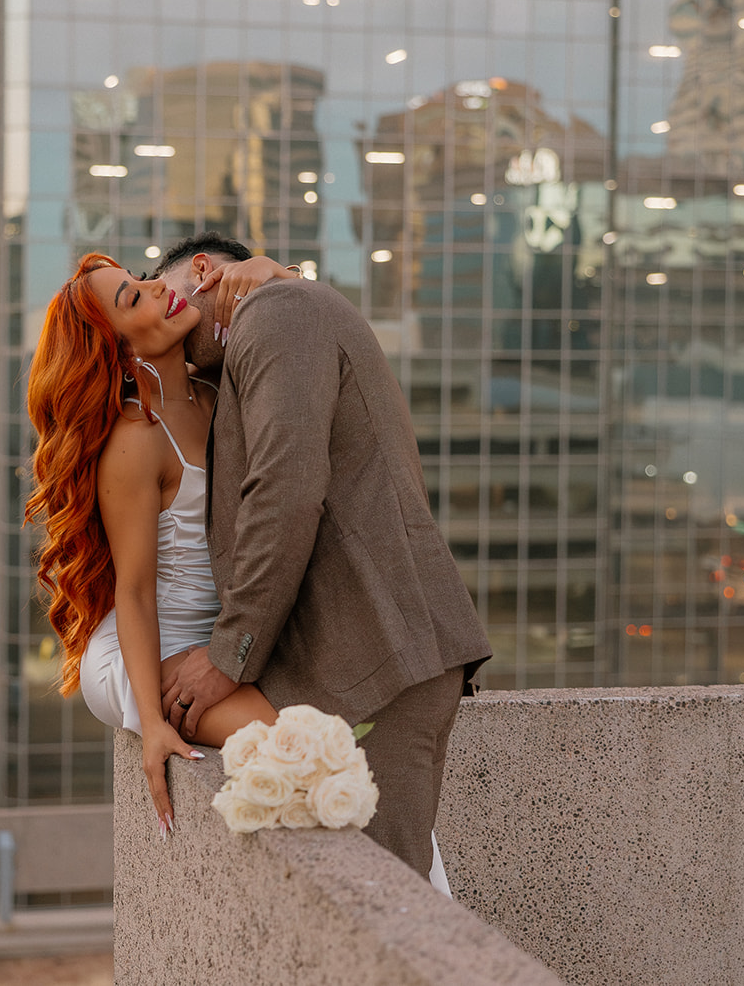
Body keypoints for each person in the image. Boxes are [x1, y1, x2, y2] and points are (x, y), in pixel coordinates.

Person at [154, 232, 493, 877]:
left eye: (160, 295)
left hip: (374, 658)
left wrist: (229, 655)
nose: (164, 324)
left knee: (383, 901)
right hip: (357, 660)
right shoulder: (275, 315)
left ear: (200, 271)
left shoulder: (278, 310)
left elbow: (284, 490)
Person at [25, 252, 280, 839]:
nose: (158, 288)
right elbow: (135, 592)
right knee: (288, 741)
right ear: (119, 353)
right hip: (141, 649)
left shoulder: (214, 392)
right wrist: (151, 720)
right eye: (133, 297)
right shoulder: (135, 441)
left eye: (140, 280)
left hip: (216, 638)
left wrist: (278, 274)